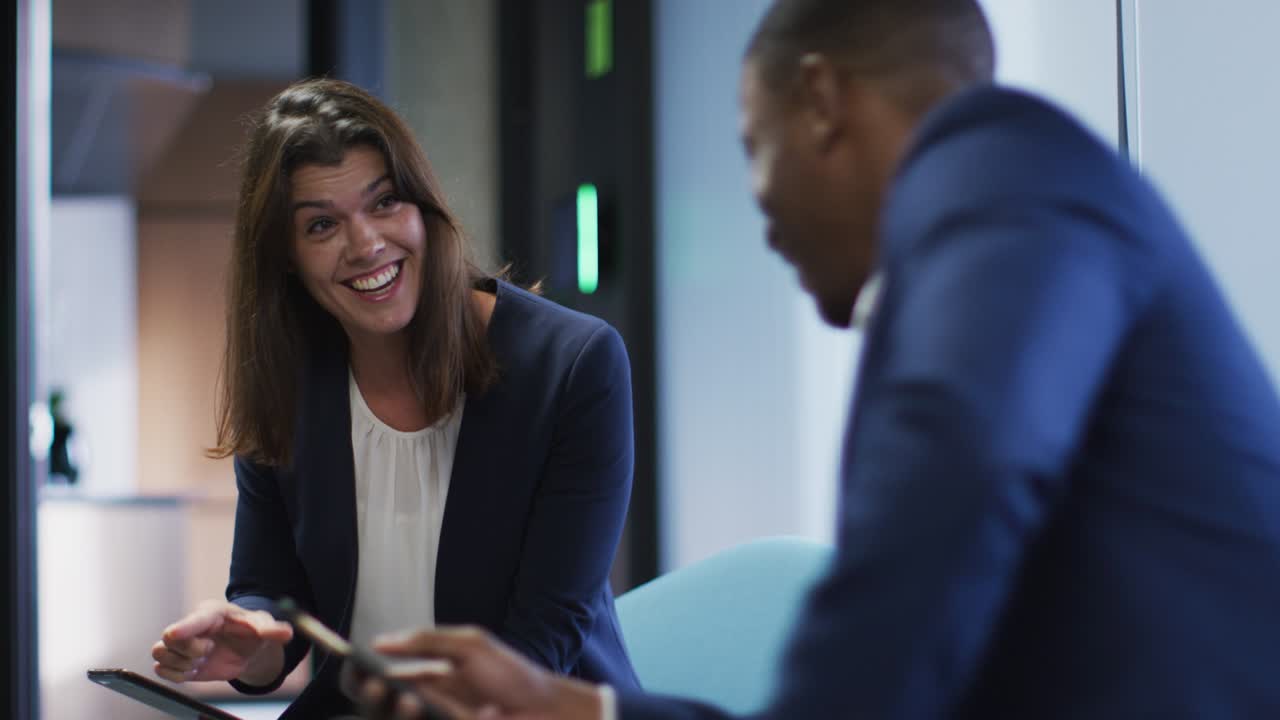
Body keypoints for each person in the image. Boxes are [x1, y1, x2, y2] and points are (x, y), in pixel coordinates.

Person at [353, 0, 1280, 718]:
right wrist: (579, 708)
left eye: (756, 148)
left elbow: (965, 457)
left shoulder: (1004, 177)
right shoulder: (1008, 216)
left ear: (825, 102)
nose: (760, 206)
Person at [148, 78, 640, 719]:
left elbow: (543, 640)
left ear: (424, 209)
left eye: (384, 204)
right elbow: (271, 599)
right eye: (322, 225)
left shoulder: (574, 366)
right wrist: (250, 648)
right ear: (287, 258)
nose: (366, 244)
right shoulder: (286, 383)